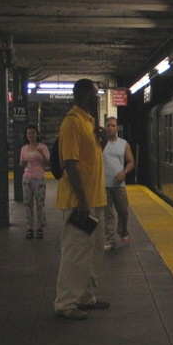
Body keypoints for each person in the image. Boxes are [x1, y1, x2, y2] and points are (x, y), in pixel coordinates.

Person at [54, 79, 109, 320]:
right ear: (86, 95)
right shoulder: (72, 122)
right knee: (75, 253)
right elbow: (70, 164)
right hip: (80, 201)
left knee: (94, 251)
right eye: (96, 94)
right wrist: (82, 200)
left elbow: (91, 159)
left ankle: (87, 297)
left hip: (96, 199)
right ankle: (66, 304)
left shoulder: (89, 122)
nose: (98, 97)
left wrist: (103, 140)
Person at [102, 116, 135, 251]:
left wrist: (124, 172)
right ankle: (110, 241)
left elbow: (131, 161)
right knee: (108, 214)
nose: (110, 128)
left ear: (117, 128)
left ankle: (123, 231)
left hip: (119, 185)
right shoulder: (100, 144)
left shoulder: (124, 144)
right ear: (104, 127)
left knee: (123, 211)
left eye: (113, 125)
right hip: (104, 185)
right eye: (108, 125)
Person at [19, 125, 49, 239]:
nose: (31, 135)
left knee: (40, 203)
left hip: (39, 177)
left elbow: (47, 163)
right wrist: (23, 163)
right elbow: (21, 164)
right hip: (27, 177)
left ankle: (40, 227)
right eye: (29, 134)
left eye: (33, 133)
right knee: (28, 203)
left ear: (37, 134)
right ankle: (29, 227)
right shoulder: (24, 149)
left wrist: (42, 154)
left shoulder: (43, 147)